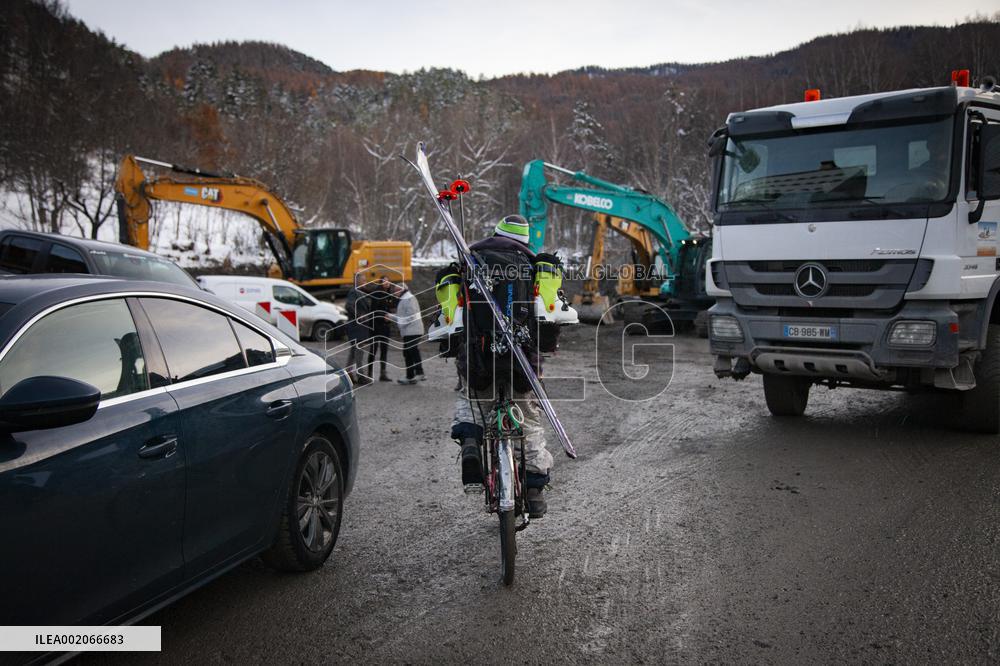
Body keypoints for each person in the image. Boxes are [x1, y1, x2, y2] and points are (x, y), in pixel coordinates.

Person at [449, 214, 558, 519]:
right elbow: (549, 316)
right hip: (520, 361)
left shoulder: (470, 260)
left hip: (478, 357)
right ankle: (533, 489)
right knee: (529, 420)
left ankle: (471, 444)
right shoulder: (535, 266)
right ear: (525, 242)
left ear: (495, 233)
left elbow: (453, 314)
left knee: (472, 400)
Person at [391, 284, 426, 385]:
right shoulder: (404, 298)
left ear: (401, 290)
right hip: (409, 331)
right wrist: (390, 316)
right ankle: (410, 375)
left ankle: (419, 373)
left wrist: (401, 323)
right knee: (407, 352)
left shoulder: (408, 298)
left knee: (412, 350)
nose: (394, 293)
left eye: (396, 291)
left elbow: (411, 315)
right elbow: (402, 316)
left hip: (413, 330)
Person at [365, 277, 394, 382]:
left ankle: (383, 373)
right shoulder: (377, 294)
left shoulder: (389, 294)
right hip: (376, 327)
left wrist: (390, 315)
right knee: (373, 350)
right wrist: (383, 316)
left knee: (384, 350)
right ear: (381, 283)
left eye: (388, 281)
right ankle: (369, 373)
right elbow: (374, 310)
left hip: (385, 327)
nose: (387, 283)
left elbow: (390, 308)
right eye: (385, 281)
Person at [344, 283, 372, 385]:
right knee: (359, 351)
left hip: (359, 327)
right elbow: (348, 305)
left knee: (354, 351)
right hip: (356, 327)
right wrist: (359, 315)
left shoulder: (360, 292)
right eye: (363, 281)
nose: (365, 283)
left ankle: (348, 374)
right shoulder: (354, 291)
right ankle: (360, 376)